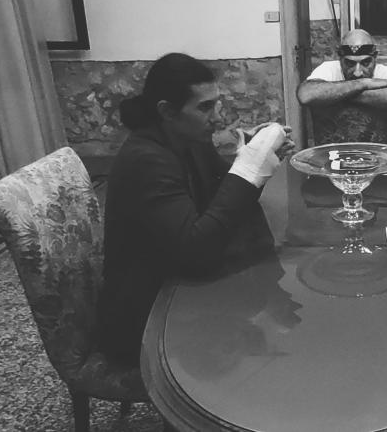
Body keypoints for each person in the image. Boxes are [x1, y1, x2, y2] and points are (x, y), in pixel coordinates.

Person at [96, 52, 295, 366]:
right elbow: (197, 249)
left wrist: (256, 158)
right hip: (148, 316)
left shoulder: (188, 139)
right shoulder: (146, 160)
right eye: (205, 107)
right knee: (276, 336)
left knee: (275, 302)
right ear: (167, 111)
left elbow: (225, 201)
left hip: (184, 282)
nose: (217, 117)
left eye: (216, 104)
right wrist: (248, 169)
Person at [296, 29, 387, 145]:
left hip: (381, 152)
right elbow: (306, 95)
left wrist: (337, 94)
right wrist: (364, 83)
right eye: (350, 63)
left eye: (365, 63)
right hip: (334, 153)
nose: (358, 72)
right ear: (340, 59)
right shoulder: (328, 69)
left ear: (375, 58)